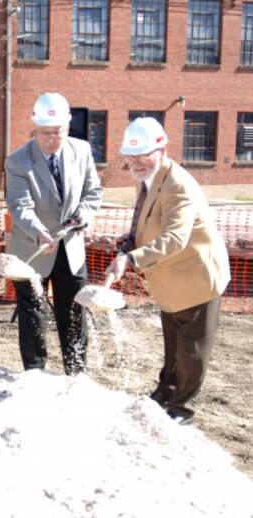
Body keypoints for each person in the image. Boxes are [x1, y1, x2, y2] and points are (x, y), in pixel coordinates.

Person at [106, 117, 230, 425]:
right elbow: (145, 218)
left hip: (196, 279)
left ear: (162, 149)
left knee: (192, 350)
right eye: (130, 156)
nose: (134, 162)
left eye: (142, 155)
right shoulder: (148, 176)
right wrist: (131, 240)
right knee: (173, 346)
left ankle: (181, 409)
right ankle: (165, 392)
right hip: (170, 280)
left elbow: (175, 238)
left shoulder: (178, 186)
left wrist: (131, 259)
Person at [5, 92, 103, 375]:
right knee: (33, 313)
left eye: (56, 132)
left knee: (74, 312)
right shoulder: (18, 161)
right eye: (43, 132)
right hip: (33, 248)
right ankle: (35, 372)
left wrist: (83, 213)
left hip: (70, 248)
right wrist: (39, 230)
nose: (49, 139)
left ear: (67, 127)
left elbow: (93, 191)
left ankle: (76, 371)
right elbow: (19, 205)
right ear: (34, 127)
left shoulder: (81, 151)